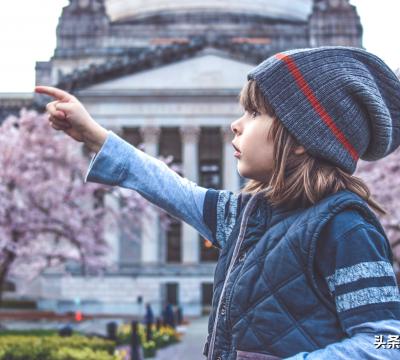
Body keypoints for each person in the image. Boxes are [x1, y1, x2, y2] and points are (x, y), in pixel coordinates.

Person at [35, 46, 400, 359]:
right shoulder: (248, 217)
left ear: (303, 137)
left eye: (254, 113)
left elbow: (387, 341)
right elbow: (176, 191)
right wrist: (97, 136)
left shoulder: (345, 227)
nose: (235, 125)